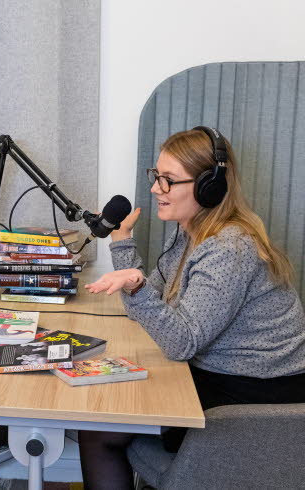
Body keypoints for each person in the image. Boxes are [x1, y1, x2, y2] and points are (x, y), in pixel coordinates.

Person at [79, 127, 305, 490]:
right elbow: (153, 297)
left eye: (168, 181)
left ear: (208, 187)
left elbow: (180, 340)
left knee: (100, 429)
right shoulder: (190, 232)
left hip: (253, 401)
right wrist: (123, 245)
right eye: (156, 177)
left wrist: (134, 286)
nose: (155, 189)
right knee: (104, 414)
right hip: (214, 376)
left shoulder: (228, 248)